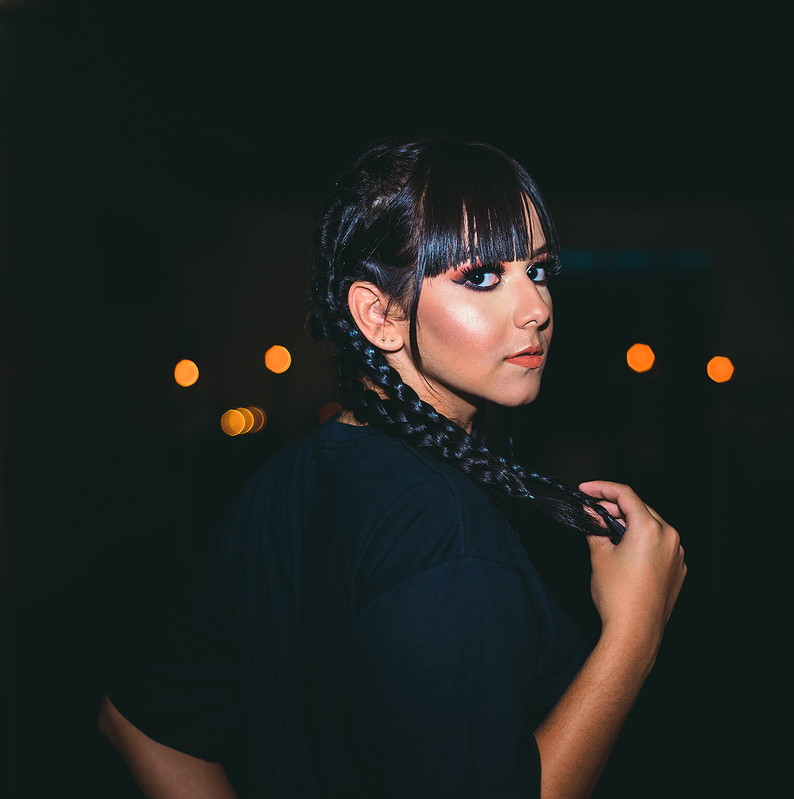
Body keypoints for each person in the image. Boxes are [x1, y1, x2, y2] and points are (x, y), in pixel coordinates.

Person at [97, 136, 687, 798]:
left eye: (540, 270)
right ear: (380, 315)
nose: (537, 309)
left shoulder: (284, 482)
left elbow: (141, 725)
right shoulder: (445, 534)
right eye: (482, 276)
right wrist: (634, 635)